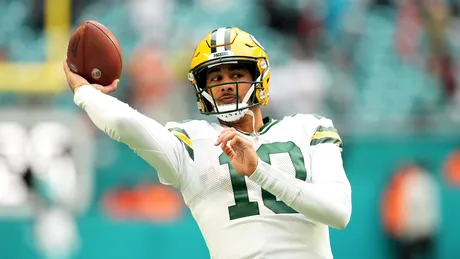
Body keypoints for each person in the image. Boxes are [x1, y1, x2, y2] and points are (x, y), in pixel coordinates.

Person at [63, 27, 352, 259]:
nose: (226, 85)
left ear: (259, 77)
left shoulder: (310, 127)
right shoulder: (192, 141)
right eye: (215, 78)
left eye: (236, 74)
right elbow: (125, 124)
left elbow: (338, 213)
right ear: (203, 89)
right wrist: (86, 93)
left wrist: (259, 171)